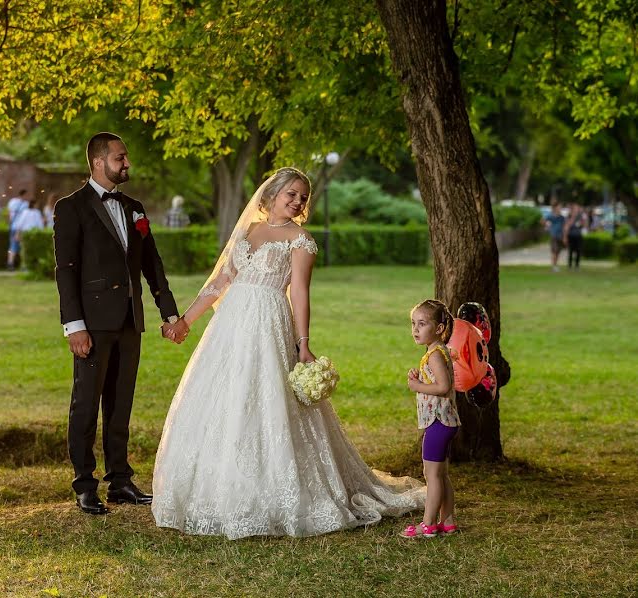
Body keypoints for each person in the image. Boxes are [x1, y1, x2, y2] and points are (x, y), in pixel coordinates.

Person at [151, 167, 425, 539]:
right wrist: (185, 321)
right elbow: (221, 280)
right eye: (291, 193)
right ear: (272, 193)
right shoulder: (248, 231)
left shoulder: (301, 240)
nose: (297, 201)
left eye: (303, 197)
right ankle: (216, 488)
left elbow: (299, 293)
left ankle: (279, 490)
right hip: (231, 325)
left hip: (268, 321)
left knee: (269, 399)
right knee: (224, 399)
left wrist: (303, 343)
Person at [54, 132, 183, 516]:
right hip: (91, 324)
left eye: (125, 158)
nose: (127, 164)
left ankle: (120, 481)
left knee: (120, 403)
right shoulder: (71, 207)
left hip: (130, 320)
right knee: (86, 402)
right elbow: (66, 271)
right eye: (120, 158)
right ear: (98, 162)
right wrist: (74, 325)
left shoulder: (135, 208)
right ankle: (84, 484)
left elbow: (152, 264)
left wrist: (169, 312)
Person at [401, 299, 460, 539]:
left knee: (431, 475)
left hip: (438, 422)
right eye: (413, 323)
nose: (415, 329)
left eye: (422, 324)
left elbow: (443, 387)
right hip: (444, 423)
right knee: (441, 474)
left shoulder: (435, 354)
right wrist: (421, 379)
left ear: (438, 329)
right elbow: (436, 381)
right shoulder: (435, 352)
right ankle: (448, 521)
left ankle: (428, 524)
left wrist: (417, 386)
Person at [11, 199, 44, 267]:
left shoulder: (34, 212)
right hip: (29, 233)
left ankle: (28, 265)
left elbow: (20, 224)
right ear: (34, 204)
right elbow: (20, 224)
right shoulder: (29, 212)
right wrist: (17, 234)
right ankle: (25, 265)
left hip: (31, 233)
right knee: (27, 250)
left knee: (28, 250)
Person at [6, 189, 30, 270]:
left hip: (13, 227)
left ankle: (10, 263)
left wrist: (10, 224)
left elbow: (9, 214)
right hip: (21, 228)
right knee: (23, 246)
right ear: (24, 195)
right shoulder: (26, 204)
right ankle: (23, 265)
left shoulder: (12, 202)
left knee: (12, 245)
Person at [542, 202, 566, 272]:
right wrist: (547, 226)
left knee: (558, 252)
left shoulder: (562, 217)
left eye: (561, 207)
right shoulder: (550, 216)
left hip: (560, 236)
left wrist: (564, 237)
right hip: (554, 235)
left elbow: (564, 227)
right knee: (554, 251)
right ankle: (553, 266)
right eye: (559, 207)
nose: (560, 208)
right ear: (555, 208)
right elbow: (542, 221)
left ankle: (556, 265)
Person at [564, 202, 587, 270]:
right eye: (575, 208)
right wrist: (573, 217)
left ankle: (577, 266)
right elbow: (567, 226)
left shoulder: (581, 216)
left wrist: (584, 220)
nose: (576, 209)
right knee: (570, 251)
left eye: (577, 208)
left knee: (578, 251)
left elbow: (584, 225)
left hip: (578, 235)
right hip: (571, 236)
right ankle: (570, 265)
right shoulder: (569, 216)